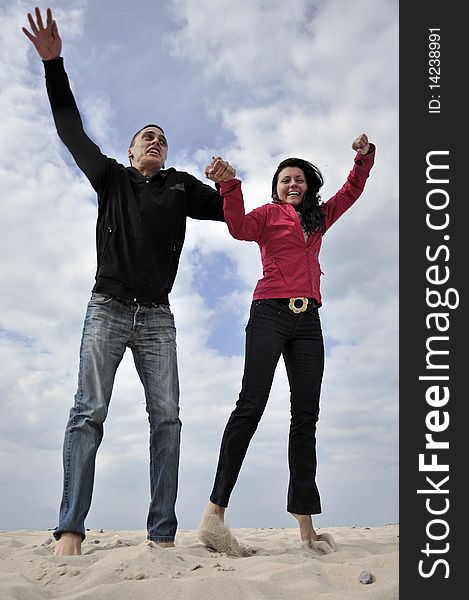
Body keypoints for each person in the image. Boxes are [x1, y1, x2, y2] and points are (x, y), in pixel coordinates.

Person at [22, 7, 235, 556]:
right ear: (132, 148)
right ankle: (70, 529)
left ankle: (161, 535)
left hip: (158, 318)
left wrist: (229, 182)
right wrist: (54, 66)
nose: (157, 140)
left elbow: (234, 219)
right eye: (148, 135)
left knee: (167, 419)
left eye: (163, 136)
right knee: (88, 412)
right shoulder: (111, 178)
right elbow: (70, 129)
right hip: (108, 307)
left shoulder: (182, 188)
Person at [199, 133, 376, 555]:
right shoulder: (266, 216)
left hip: (309, 321)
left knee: (306, 417)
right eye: (284, 180)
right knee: (251, 405)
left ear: (308, 186)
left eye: (298, 179)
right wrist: (230, 186)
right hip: (269, 315)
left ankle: (307, 529)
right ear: (276, 187)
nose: (292, 184)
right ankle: (214, 516)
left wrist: (364, 158)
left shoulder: (318, 218)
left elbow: (352, 190)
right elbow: (238, 227)